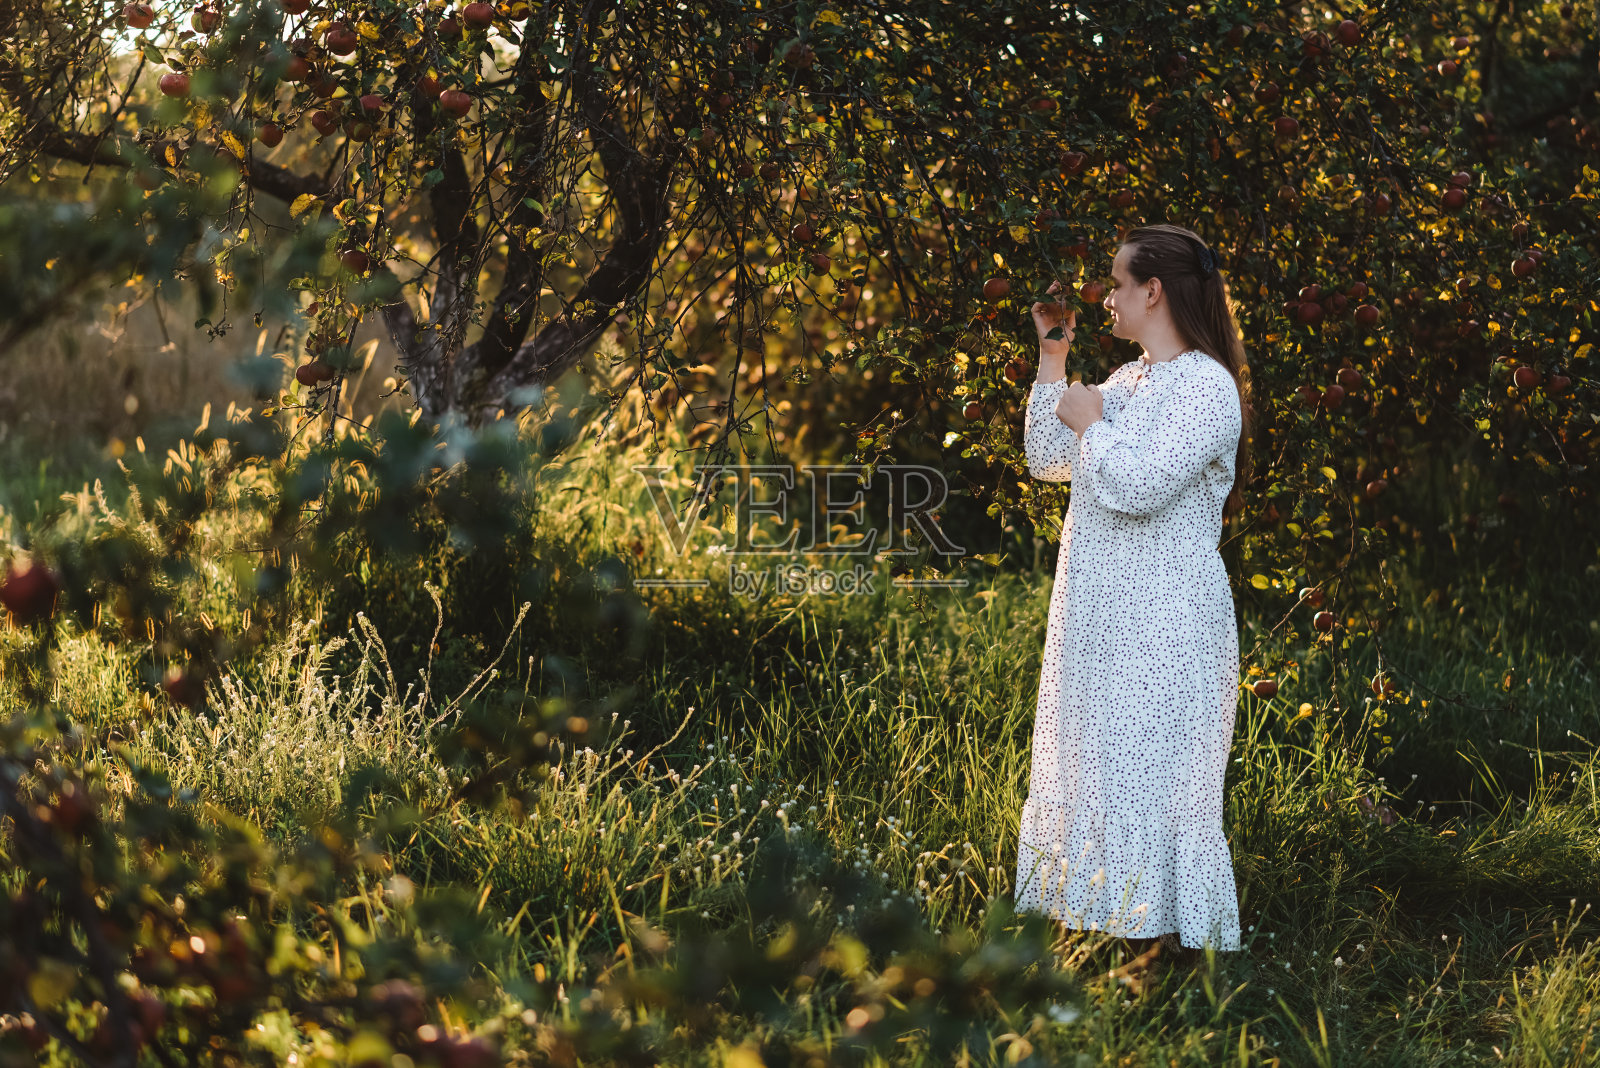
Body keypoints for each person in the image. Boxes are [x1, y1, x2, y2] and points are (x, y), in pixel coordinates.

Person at [1014, 223, 1255, 976]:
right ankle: (1096, 928)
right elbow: (1051, 460)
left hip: (1165, 617)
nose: (1106, 296)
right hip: (1100, 610)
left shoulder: (1209, 387)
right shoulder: (1129, 381)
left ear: (1154, 290)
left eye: (1118, 283)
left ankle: (1162, 950)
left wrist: (1091, 426)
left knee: (1151, 772)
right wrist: (1055, 360)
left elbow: (1140, 485)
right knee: (1096, 764)